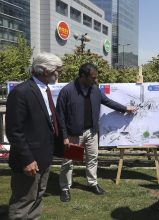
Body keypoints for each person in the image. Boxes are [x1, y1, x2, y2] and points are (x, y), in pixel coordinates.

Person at [56, 63, 135, 202]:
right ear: (82, 76)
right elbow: (60, 115)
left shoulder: (95, 90)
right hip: (73, 134)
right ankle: (65, 188)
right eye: (93, 77)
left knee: (92, 159)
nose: (96, 80)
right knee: (67, 162)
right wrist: (64, 136)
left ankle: (92, 184)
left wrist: (125, 108)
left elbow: (108, 102)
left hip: (92, 132)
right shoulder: (67, 91)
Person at [5, 52, 63, 219]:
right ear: (45, 70)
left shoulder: (45, 90)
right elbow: (14, 131)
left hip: (44, 157)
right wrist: (27, 159)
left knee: (37, 196)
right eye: (56, 70)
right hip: (29, 161)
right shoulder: (21, 92)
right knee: (24, 200)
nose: (58, 73)